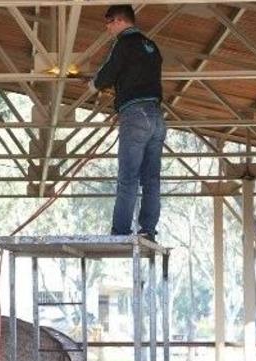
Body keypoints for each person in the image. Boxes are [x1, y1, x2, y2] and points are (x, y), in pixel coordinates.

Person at [88, 5, 166, 242]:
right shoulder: (152, 46)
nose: (107, 27)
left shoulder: (123, 44)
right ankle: (148, 230)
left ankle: (120, 231)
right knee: (151, 178)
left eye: (109, 22)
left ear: (120, 21)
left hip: (135, 115)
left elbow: (108, 72)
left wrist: (94, 85)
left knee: (128, 176)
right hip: (156, 116)